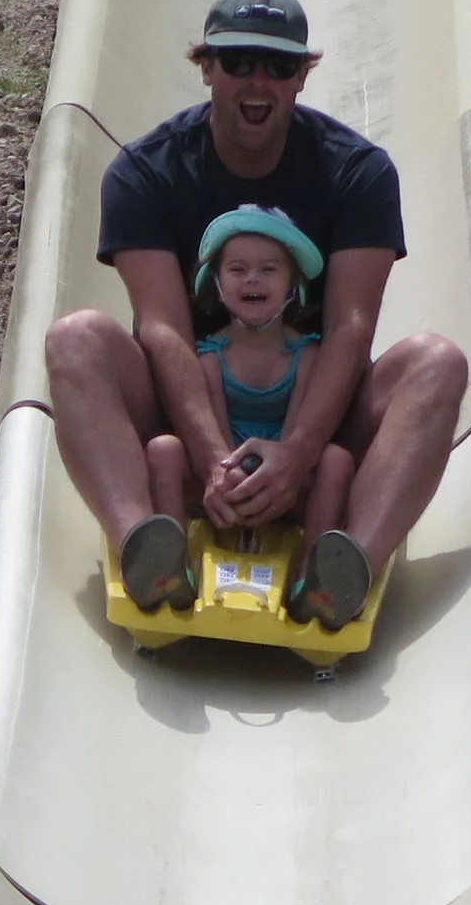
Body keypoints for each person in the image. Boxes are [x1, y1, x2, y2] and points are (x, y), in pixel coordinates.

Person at [46, 0, 469, 631]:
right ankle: (144, 544)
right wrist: (218, 460)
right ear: (207, 66)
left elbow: (352, 329)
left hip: (317, 443)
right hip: (187, 442)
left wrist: (297, 453)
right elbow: (163, 329)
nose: (258, 81)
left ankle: (346, 566)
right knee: (75, 337)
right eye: (239, 61)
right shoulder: (146, 172)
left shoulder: (357, 172)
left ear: (303, 75)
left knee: (438, 361)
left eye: (278, 66)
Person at [143, 205, 360, 626]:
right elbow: (216, 443)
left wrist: (275, 478)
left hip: (287, 481)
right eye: (238, 269)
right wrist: (230, 481)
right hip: (220, 485)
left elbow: (298, 437)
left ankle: (313, 582)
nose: (253, 279)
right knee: (163, 450)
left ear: (292, 284)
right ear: (218, 285)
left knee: (337, 460)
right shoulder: (209, 357)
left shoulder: (306, 355)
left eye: (268, 270)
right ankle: (170, 567)